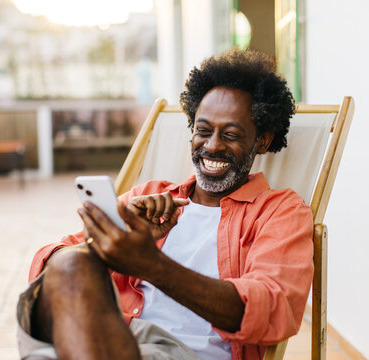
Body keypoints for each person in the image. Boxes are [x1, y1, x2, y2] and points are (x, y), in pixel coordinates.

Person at [17, 49, 314, 360]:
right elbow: (47, 267)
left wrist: (150, 265)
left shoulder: (280, 212)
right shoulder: (148, 197)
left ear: (262, 141)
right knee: (69, 262)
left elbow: (271, 309)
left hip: (185, 353)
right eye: (203, 131)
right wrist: (107, 245)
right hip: (117, 335)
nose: (212, 146)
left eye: (231, 134)